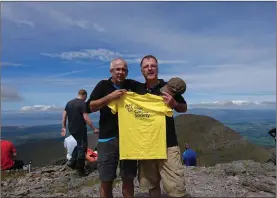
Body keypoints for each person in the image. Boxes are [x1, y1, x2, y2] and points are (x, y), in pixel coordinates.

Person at [134, 55, 188, 198]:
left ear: (157, 68)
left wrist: (174, 104)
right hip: (146, 144)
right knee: (152, 184)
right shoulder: (137, 90)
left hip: (168, 143)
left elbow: (184, 108)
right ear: (141, 70)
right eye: (146, 66)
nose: (150, 68)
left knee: (176, 186)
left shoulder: (169, 88)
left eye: (153, 65)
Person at [87, 58, 138, 198]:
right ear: (111, 71)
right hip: (107, 139)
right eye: (118, 69)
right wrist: (109, 97)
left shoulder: (132, 85)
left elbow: (150, 94)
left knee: (128, 177)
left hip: (129, 139)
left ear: (127, 72)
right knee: (106, 179)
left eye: (124, 69)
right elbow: (90, 106)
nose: (121, 72)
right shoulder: (103, 85)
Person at [61, 89, 99, 176]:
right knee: (82, 147)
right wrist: (93, 128)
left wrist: (63, 127)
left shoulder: (69, 103)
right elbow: (86, 118)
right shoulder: (82, 104)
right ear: (85, 95)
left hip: (72, 129)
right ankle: (81, 169)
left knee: (79, 144)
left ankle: (72, 162)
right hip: (80, 129)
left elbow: (64, 116)